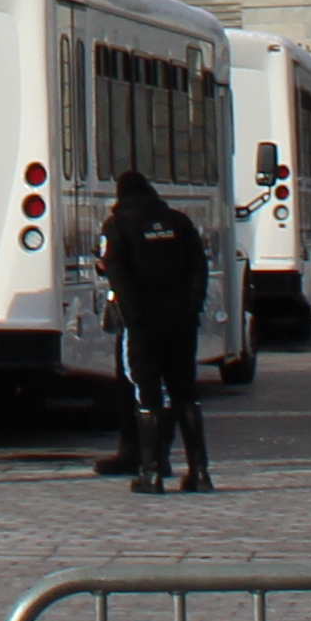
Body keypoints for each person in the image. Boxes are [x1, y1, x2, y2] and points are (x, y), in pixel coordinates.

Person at [97, 168, 216, 494]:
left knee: (145, 392)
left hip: (144, 324)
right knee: (185, 392)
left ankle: (151, 473)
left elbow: (117, 274)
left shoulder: (117, 226)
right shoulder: (178, 222)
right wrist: (192, 308)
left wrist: (134, 317)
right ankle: (200, 473)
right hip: (181, 321)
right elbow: (199, 267)